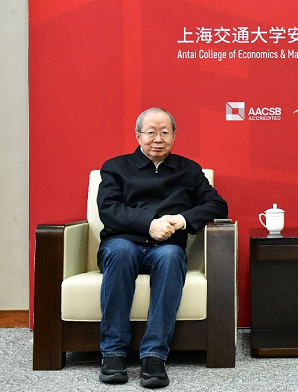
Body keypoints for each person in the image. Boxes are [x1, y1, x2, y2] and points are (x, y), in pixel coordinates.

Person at [96, 107, 228, 388]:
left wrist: (182, 220)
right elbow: (108, 209)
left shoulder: (189, 170)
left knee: (170, 257)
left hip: (166, 246)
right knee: (121, 253)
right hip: (123, 242)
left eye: (165, 132)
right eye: (151, 132)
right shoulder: (115, 167)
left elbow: (217, 205)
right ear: (138, 135)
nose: (158, 139)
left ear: (174, 136)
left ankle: (154, 356)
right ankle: (113, 353)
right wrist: (149, 224)